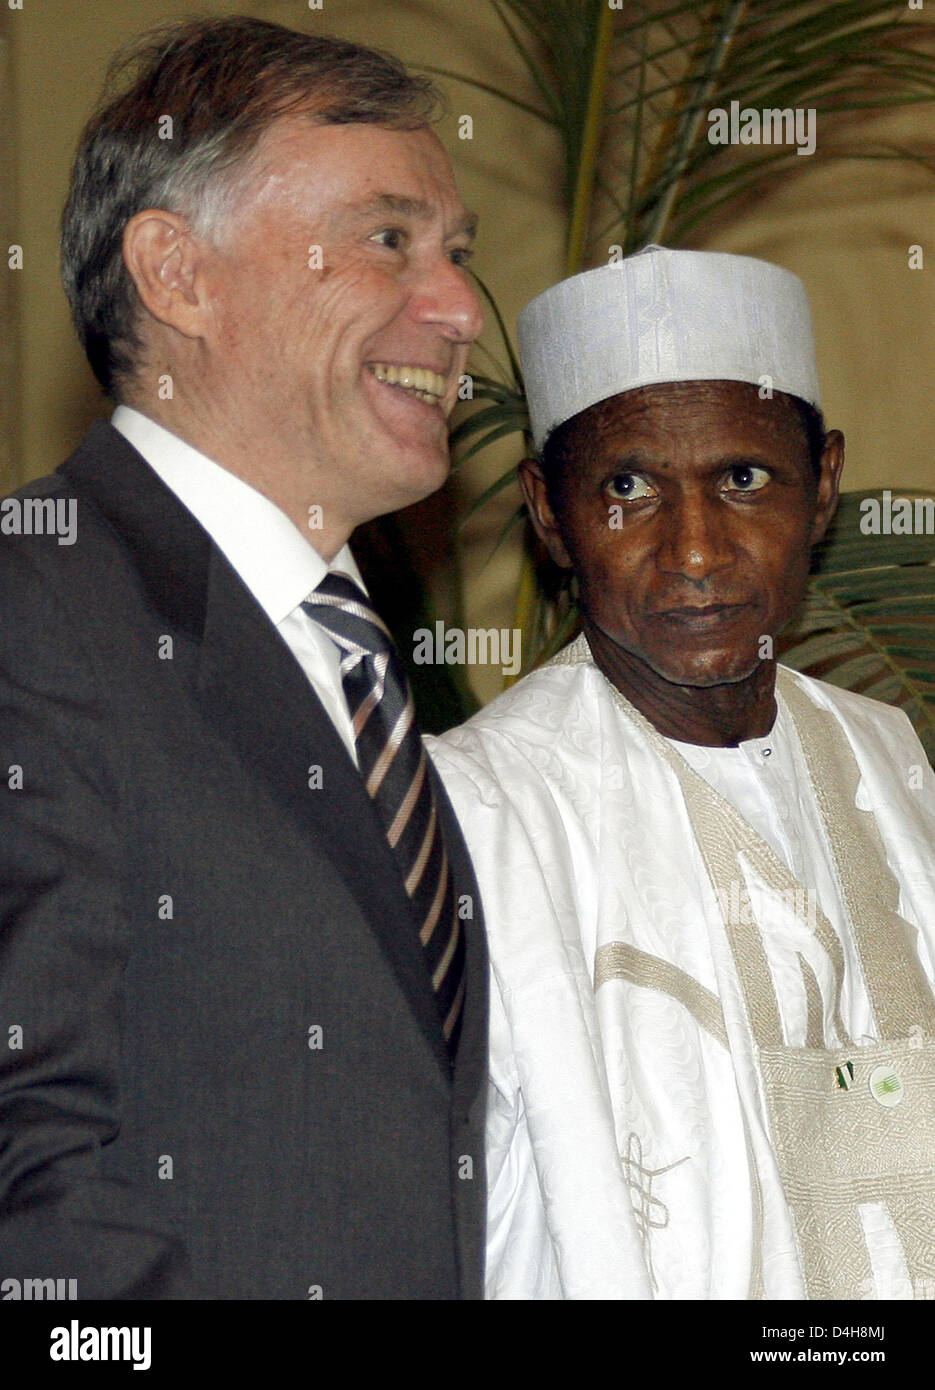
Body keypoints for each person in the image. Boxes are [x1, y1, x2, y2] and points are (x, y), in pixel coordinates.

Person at [0, 17, 488, 1300]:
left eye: (454, 256)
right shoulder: (32, 609)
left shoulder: (372, 673)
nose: (458, 312)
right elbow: (31, 1185)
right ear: (178, 274)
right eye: (388, 240)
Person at [428, 245, 935, 1300]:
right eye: (627, 488)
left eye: (742, 479)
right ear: (547, 511)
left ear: (823, 484)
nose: (694, 548)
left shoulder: (889, 760)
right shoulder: (478, 812)